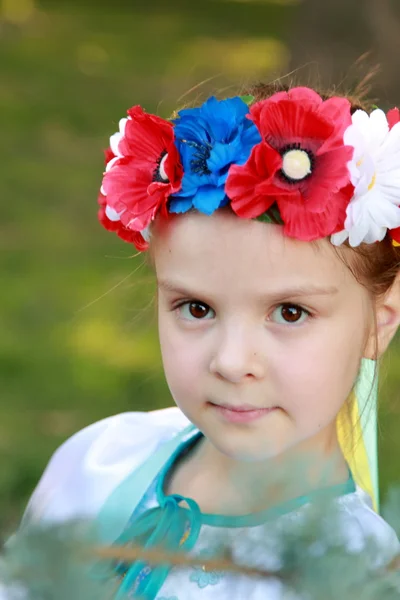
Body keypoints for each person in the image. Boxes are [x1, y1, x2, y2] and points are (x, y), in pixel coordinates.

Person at [11, 84, 400, 598]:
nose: (233, 362)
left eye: (290, 312)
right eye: (196, 308)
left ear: (381, 322)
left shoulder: (358, 579)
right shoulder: (94, 465)